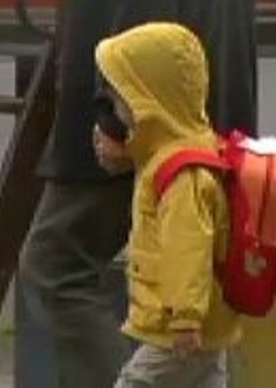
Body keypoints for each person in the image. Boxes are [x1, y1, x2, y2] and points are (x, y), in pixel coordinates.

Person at [18, 0, 257, 388]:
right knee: (188, 284)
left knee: (58, 262)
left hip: (147, 118)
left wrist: (119, 118)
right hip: (185, 112)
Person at [93, 21, 240, 388]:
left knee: (136, 383)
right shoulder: (182, 151)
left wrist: (185, 317)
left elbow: (188, 248)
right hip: (197, 324)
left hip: (176, 326)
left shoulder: (182, 174)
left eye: (121, 98)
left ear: (150, 102)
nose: (114, 107)